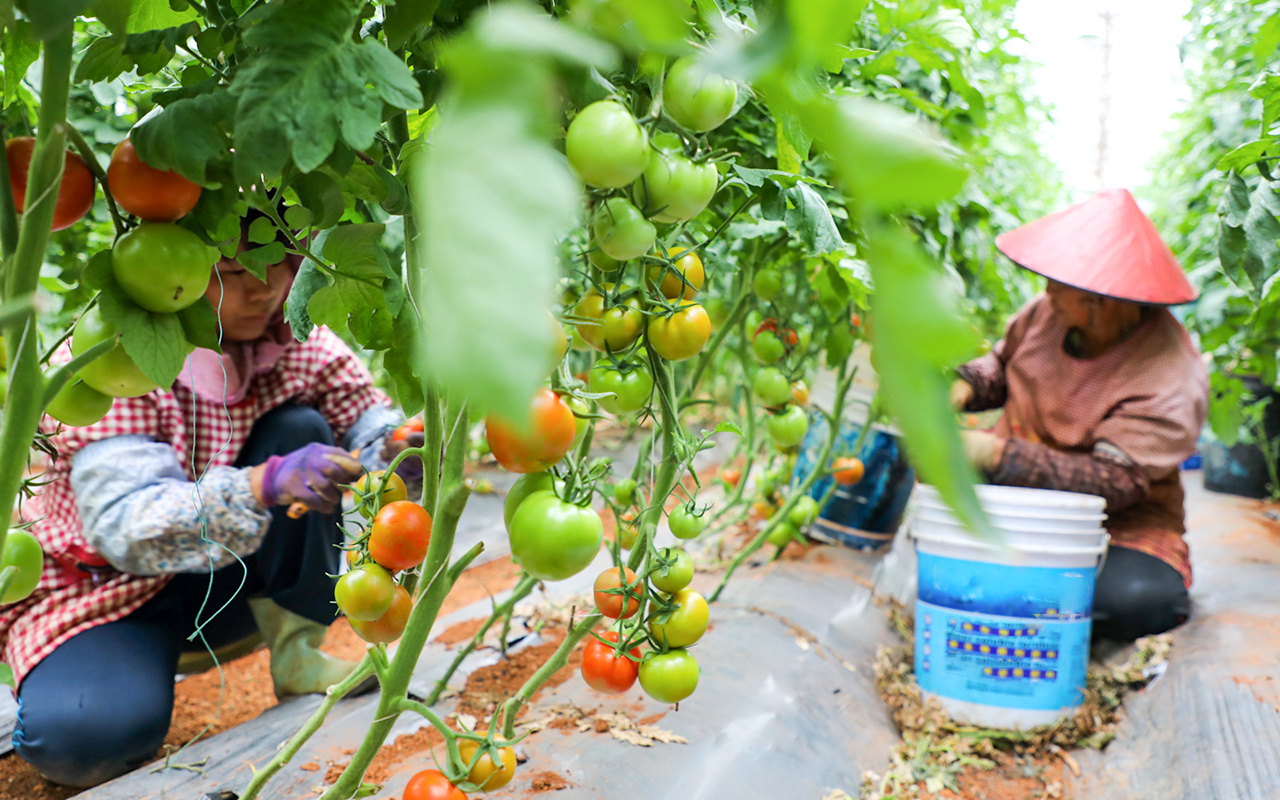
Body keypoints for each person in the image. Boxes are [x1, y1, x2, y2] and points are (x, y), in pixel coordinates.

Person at [0, 208, 423, 788]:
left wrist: (402, 445)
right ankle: (102, 680)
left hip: (225, 590)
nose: (263, 287)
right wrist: (262, 483)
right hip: (107, 594)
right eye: (232, 267)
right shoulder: (120, 358)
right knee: (80, 738)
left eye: (277, 263)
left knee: (301, 426)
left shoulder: (294, 338)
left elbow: (365, 421)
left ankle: (297, 652)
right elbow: (122, 526)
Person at [950, 188, 1208, 642]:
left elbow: (1113, 484)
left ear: (1101, 299)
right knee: (940, 519)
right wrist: (964, 386)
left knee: (1136, 600)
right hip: (1014, 497)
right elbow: (1003, 364)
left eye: (1058, 283)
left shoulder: (1167, 375)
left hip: (1117, 525)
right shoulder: (1047, 314)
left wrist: (995, 452)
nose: (1046, 290)